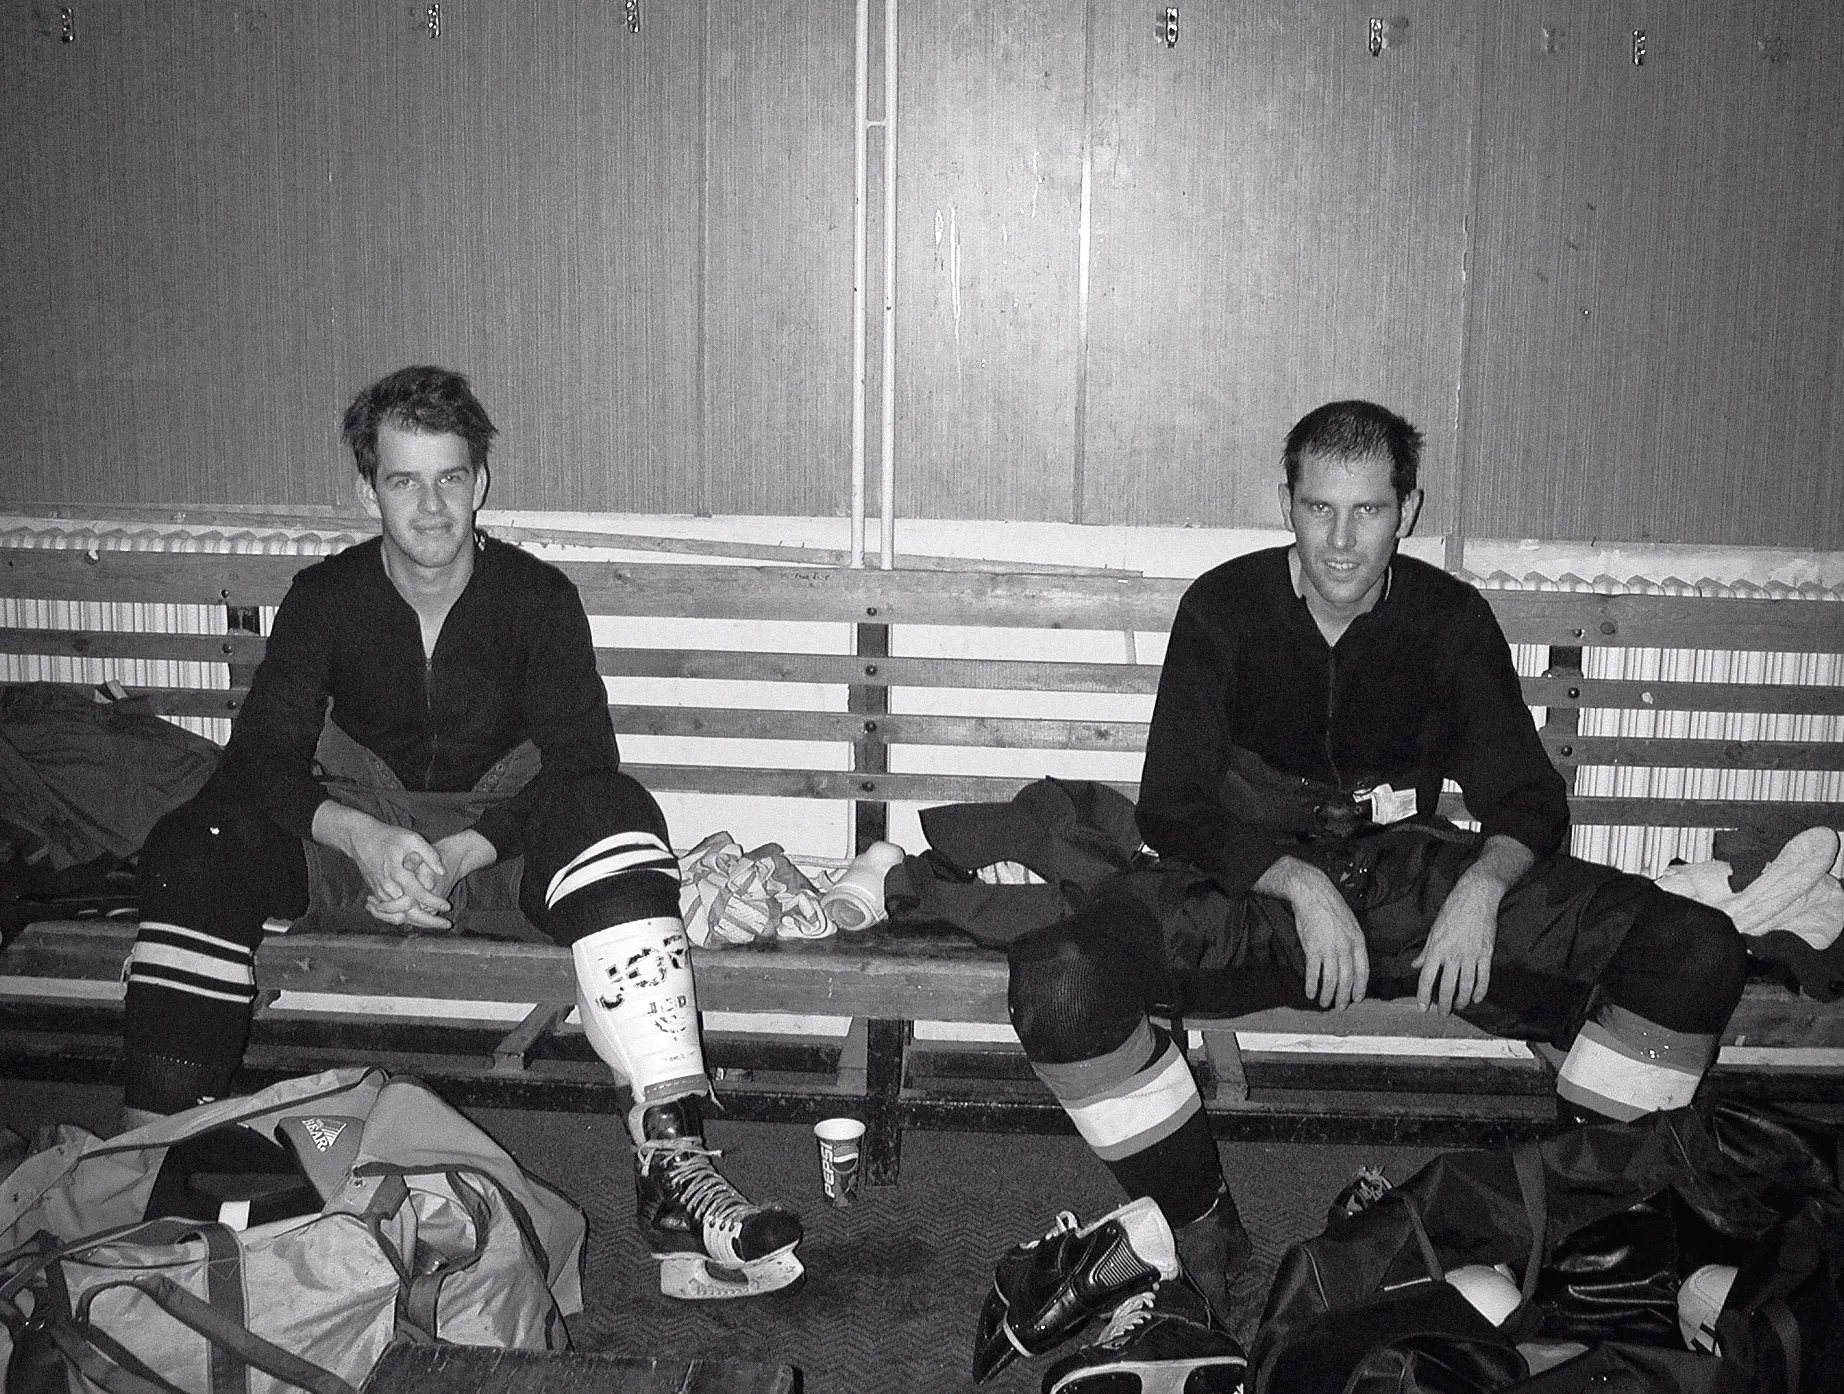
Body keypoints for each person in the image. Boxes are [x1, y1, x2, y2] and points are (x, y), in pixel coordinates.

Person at [990, 400, 1746, 1357]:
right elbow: (1173, 807)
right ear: (1287, 505)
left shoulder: (1450, 620)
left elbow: (1527, 802)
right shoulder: (1220, 611)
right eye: (1319, 510)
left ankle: (1581, 1223)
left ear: (1408, 510)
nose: (1343, 541)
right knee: (1061, 977)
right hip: (1246, 890)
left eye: (1370, 512)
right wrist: (1298, 885)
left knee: (1693, 948)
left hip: (1409, 883)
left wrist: (1482, 891)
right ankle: (1197, 1223)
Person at [121, 365, 803, 1300]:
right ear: (367, 489)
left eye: (450, 477)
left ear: (481, 481)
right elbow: (261, 762)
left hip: (499, 860)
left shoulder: (538, 600)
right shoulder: (323, 598)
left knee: (614, 811)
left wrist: (465, 849)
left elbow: (580, 761)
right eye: (404, 480)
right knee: (196, 840)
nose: (431, 505)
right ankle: (157, 1159)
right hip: (354, 857)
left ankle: (673, 1171)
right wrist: (360, 837)